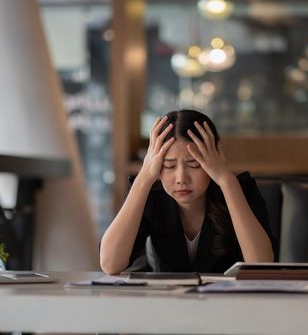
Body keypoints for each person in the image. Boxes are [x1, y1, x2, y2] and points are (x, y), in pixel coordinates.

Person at [100, 110, 276, 274]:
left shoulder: (240, 190)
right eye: (169, 165)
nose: (181, 178)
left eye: (194, 164)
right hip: (168, 303)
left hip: (228, 303)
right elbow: (110, 264)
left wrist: (226, 180)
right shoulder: (152, 196)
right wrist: (144, 178)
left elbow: (261, 266)